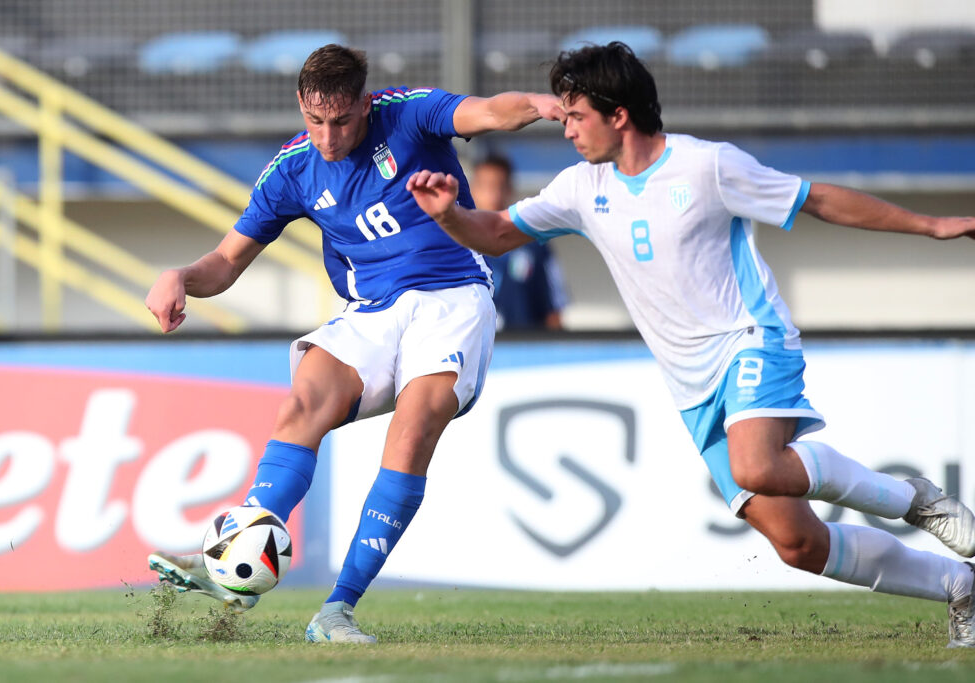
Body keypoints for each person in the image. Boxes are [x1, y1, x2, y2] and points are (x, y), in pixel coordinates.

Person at [407, 41, 975, 648]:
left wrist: (933, 225)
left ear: (617, 114)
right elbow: (494, 234)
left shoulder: (707, 166)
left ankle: (915, 500)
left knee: (756, 464)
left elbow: (817, 199)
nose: (565, 128)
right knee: (799, 545)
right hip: (688, 383)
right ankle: (958, 586)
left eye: (575, 116)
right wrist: (448, 216)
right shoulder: (580, 188)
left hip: (750, 339)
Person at [144, 44, 563, 644]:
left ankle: (336, 609)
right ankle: (237, 559)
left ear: (365, 104)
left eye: (341, 121)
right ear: (301, 107)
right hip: (369, 311)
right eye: (316, 121)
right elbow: (226, 263)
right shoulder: (291, 170)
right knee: (300, 403)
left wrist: (544, 106)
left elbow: (490, 111)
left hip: (452, 296)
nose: (328, 136)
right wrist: (180, 277)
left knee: (413, 430)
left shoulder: (410, 113)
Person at [470, 156, 568, 330]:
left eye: (499, 185)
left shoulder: (534, 243)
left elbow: (553, 310)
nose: (493, 193)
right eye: (485, 185)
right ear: (472, 189)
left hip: (523, 351)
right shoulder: (455, 246)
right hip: (474, 351)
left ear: (509, 190)